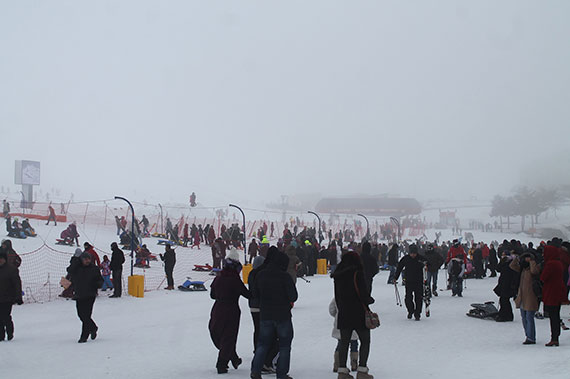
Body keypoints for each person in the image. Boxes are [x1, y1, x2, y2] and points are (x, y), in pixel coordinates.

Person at [250, 247, 298, 379]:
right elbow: (293, 296)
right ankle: (281, 373)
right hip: (283, 316)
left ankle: (255, 370)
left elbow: (254, 294)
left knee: (263, 344)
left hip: (265, 315)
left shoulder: (261, 275)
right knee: (284, 346)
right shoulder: (285, 277)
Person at [331, 251, 374, 379]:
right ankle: (362, 370)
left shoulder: (338, 276)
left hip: (344, 313)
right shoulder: (357, 273)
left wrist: (342, 308)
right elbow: (363, 294)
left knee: (344, 342)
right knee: (365, 341)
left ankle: (342, 372)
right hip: (358, 313)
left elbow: (337, 297)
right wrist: (370, 300)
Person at [208, 249, 249, 374]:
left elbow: (212, 295)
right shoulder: (235, 280)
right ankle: (222, 363)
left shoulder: (218, 277)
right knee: (229, 337)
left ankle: (233, 358)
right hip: (231, 310)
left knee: (217, 333)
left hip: (217, 309)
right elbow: (247, 294)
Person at [69, 252, 103, 343]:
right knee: (81, 315)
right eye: (85, 259)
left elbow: (100, 280)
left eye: (89, 259)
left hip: (90, 295)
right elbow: (70, 270)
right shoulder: (77, 268)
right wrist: (76, 260)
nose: (87, 261)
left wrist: (97, 284)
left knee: (86, 315)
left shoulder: (94, 269)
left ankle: (84, 336)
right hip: (79, 294)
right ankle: (93, 327)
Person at [509, 252, 540, 344]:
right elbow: (512, 265)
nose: (526, 260)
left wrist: (532, 261)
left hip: (531, 297)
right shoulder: (522, 269)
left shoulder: (533, 268)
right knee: (524, 317)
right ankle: (528, 335)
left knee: (529, 317)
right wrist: (517, 259)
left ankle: (531, 337)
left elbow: (534, 271)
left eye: (528, 258)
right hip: (522, 296)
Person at [541, 245, 568, 346]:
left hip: (551, 292)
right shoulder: (559, 263)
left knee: (553, 317)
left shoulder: (550, 264)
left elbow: (543, 277)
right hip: (558, 292)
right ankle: (556, 336)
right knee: (556, 315)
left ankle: (554, 338)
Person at [394, 244, 425, 320]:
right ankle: (410, 311)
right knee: (408, 298)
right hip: (409, 281)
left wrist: (427, 266)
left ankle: (417, 313)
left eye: (414, 253)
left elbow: (429, 264)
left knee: (418, 298)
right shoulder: (406, 259)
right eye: (412, 253)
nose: (413, 255)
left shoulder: (421, 259)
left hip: (419, 281)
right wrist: (395, 277)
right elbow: (399, 268)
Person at [329, 298, 359, 373]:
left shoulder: (338, 295)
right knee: (354, 344)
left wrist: (336, 315)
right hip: (355, 323)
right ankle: (354, 364)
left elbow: (332, 309)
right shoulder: (357, 296)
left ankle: (337, 364)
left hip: (341, 322)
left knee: (341, 344)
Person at [0, 249, 23, 341]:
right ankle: (1, 336)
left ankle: (10, 332)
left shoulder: (12, 269)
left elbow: (17, 284)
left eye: (1, 259)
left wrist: (18, 297)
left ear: (5, 259)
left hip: (7, 298)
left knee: (5, 316)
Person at [494, 250, 517, 322]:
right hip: (503, 282)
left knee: (504, 300)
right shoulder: (504, 262)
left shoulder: (511, 262)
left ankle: (505, 315)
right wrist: (501, 261)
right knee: (504, 299)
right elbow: (498, 269)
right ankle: (506, 314)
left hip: (508, 283)